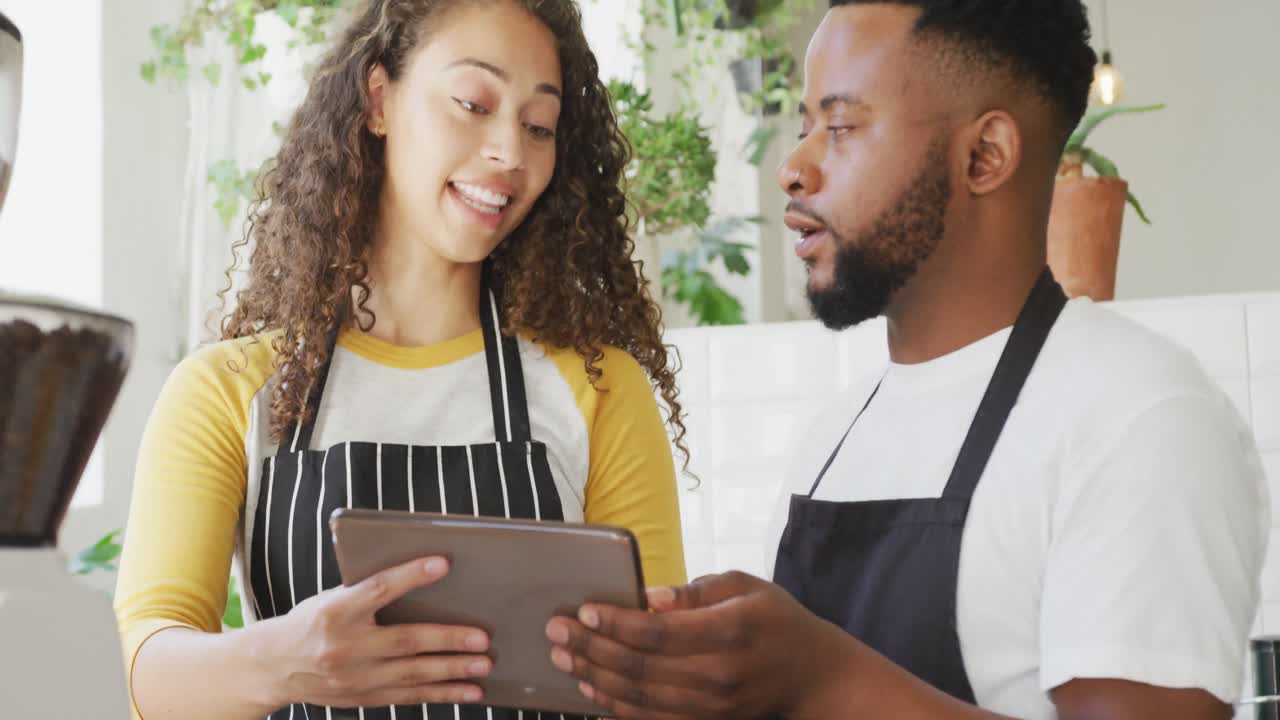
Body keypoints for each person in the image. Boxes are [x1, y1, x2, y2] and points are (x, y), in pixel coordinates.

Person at [545, 1, 1269, 718]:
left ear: (984, 156)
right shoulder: (837, 433)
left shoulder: (1141, 418)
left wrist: (818, 677)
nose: (792, 168)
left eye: (839, 127)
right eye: (803, 129)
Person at [113, 1, 688, 719]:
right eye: (474, 103)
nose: (510, 151)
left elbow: (663, 688)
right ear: (379, 100)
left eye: (538, 126)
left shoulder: (598, 389)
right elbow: (153, 676)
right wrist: (284, 663)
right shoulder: (231, 389)